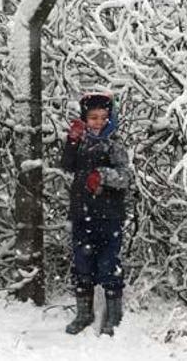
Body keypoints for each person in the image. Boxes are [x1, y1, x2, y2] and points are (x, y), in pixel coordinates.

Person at [62, 92, 133, 336]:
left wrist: (103, 175)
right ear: (85, 118)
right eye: (93, 117)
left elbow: (125, 176)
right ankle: (84, 314)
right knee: (82, 264)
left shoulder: (114, 142)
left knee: (108, 265)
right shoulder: (80, 141)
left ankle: (114, 316)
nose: (98, 122)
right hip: (82, 214)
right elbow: (67, 165)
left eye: (103, 117)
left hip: (109, 215)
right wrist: (71, 141)